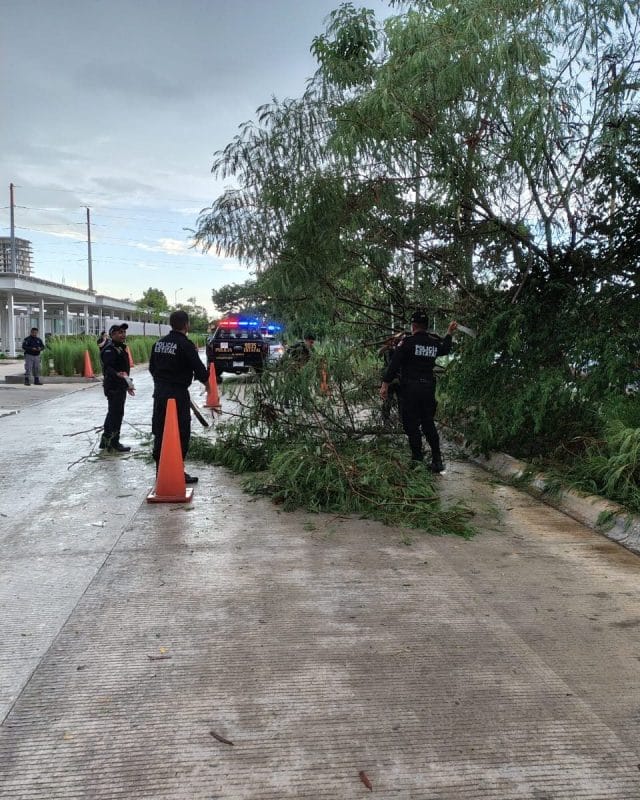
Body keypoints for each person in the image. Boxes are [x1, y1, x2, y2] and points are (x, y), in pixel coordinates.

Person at [380, 310, 457, 473]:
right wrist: (449, 332)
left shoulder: (407, 343)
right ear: (427, 327)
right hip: (428, 388)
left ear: (413, 326)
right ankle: (437, 460)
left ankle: (417, 459)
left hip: (411, 390)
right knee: (428, 423)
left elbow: (393, 365)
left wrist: (385, 384)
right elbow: (445, 349)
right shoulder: (433, 343)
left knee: (411, 425)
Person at [149, 310, 210, 484]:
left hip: (160, 393)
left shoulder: (158, 344)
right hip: (177, 394)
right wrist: (209, 388)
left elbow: (152, 368)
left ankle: (161, 471)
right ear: (186, 324)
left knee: (160, 430)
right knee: (181, 432)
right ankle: (176, 471)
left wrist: (163, 383)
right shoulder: (186, 344)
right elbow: (199, 369)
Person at [99, 323, 135, 452]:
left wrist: (127, 385)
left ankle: (106, 442)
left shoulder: (120, 347)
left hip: (119, 385)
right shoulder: (110, 349)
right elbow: (108, 368)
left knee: (114, 413)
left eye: (124, 332)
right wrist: (117, 375)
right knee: (115, 414)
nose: (123, 335)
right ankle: (113, 442)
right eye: (120, 332)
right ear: (112, 334)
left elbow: (123, 370)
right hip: (113, 386)